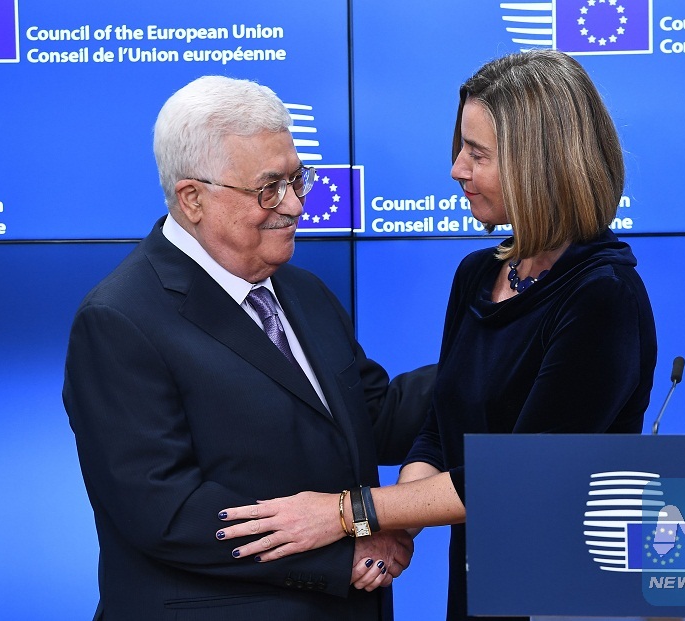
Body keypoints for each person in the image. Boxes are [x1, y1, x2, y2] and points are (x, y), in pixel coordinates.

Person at [214, 49, 658, 620]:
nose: (457, 169)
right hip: (481, 583)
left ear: (540, 165)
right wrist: (396, 527)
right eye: (460, 148)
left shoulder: (602, 295)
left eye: (478, 154)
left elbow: (520, 478)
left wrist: (347, 513)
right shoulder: (478, 275)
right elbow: (438, 433)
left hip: (565, 591)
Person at [62, 75, 433, 621]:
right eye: (269, 188)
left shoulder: (303, 290)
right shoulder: (118, 320)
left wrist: (494, 358)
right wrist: (342, 552)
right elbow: (165, 511)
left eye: (297, 179)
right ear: (193, 198)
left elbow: (374, 418)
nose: (295, 205)